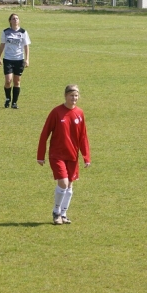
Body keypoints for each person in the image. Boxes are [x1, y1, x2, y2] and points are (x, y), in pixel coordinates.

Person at [37, 85, 91, 225]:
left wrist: (86, 156)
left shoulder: (80, 113)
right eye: (71, 95)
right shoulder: (56, 112)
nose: (74, 98)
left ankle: (64, 213)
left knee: (70, 185)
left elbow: (83, 136)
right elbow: (45, 133)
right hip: (57, 155)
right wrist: (40, 155)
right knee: (63, 183)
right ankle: (56, 212)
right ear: (65, 96)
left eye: (76, 95)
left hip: (72, 155)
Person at [0, 13, 31, 109]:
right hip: (8, 59)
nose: (15, 20)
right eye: (13, 18)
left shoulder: (23, 32)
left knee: (17, 81)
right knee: (8, 80)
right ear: (10, 21)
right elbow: (2, 45)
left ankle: (14, 102)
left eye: (17, 18)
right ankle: (8, 98)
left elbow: (26, 46)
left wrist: (27, 59)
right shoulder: (5, 32)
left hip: (19, 59)